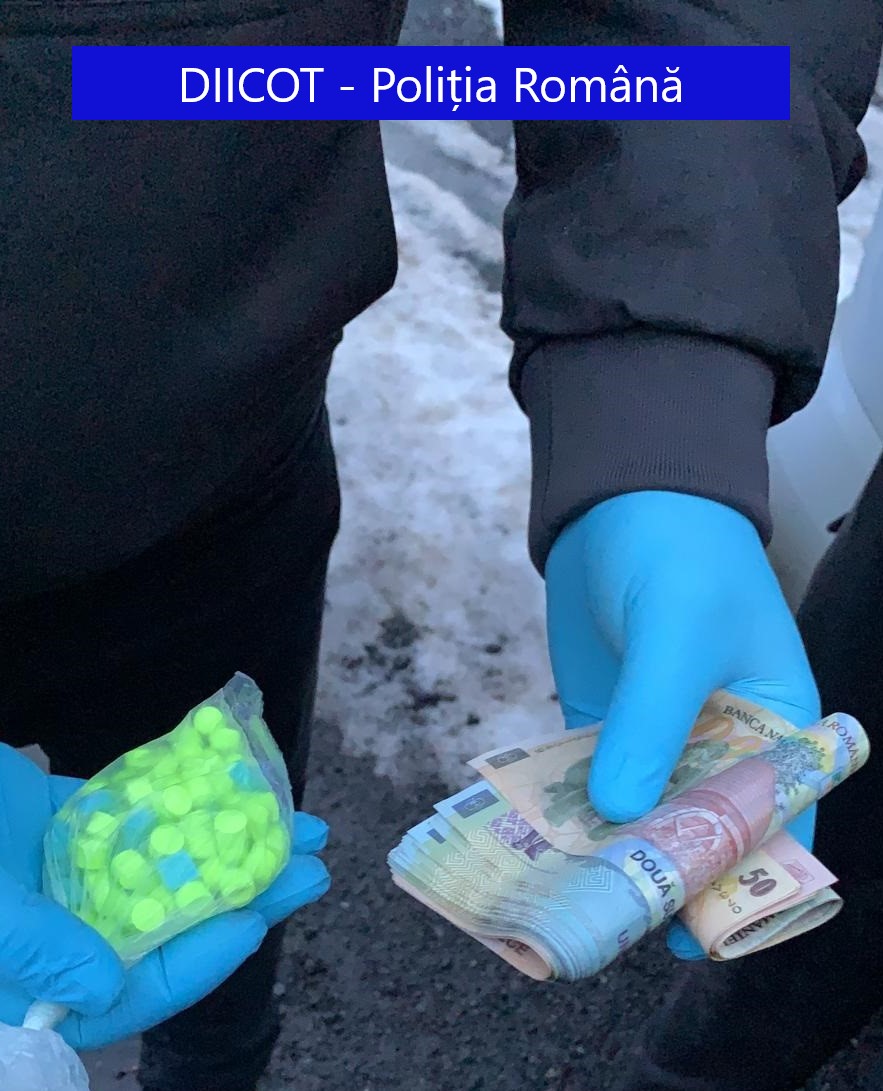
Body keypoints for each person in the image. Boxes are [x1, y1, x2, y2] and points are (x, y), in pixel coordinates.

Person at [2, 2, 882, 1091]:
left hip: (215, 475)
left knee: (228, 883)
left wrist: (660, 398)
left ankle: (216, 1069)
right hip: (215, 443)